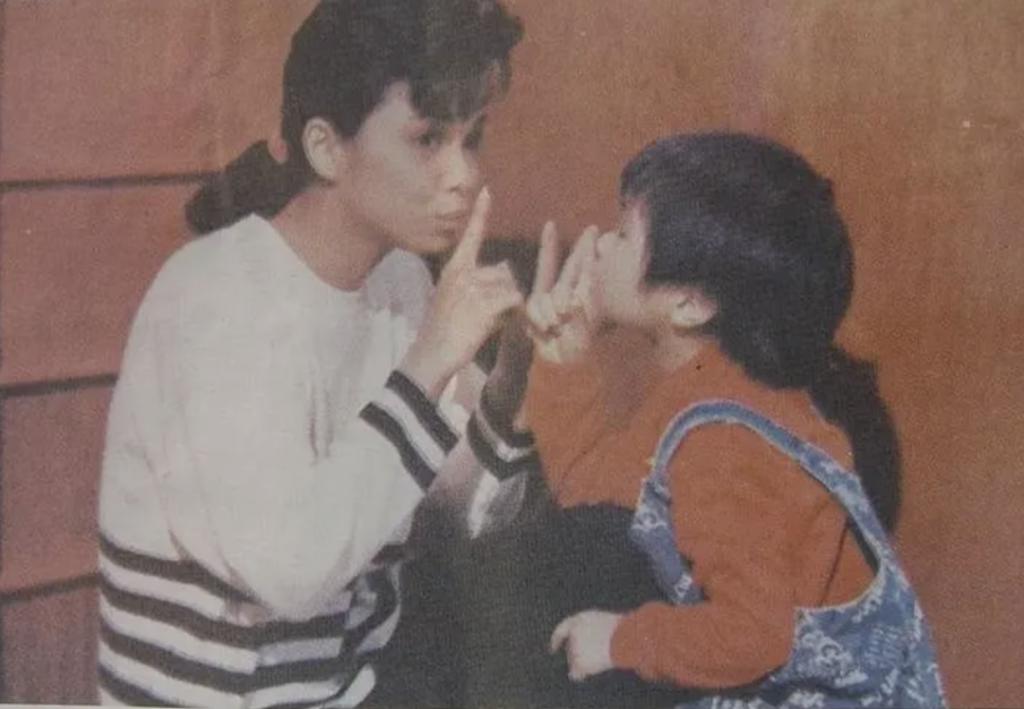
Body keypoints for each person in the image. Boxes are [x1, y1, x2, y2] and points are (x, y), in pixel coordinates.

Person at [96, 1, 536, 706]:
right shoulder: (219, 297)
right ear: (327, 148)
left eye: (472, 138)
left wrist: (510, 382)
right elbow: (292, 570)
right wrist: (427, 363)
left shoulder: (401, 281)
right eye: (427, 139)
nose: (463, 175)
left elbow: (468, 513)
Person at [517, 132, 946, 707]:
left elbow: (754, 634)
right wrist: (565, 363)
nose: (595, 245)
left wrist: (621, 640)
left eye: (622, 234)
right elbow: (595, 498)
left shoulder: (724, 437)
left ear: (691, 303)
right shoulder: (706, 396)